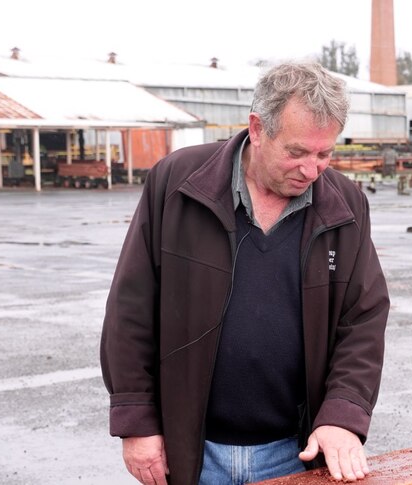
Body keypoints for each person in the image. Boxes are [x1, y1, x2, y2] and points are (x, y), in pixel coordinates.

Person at [100, 61, 389, 485]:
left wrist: (343, 416)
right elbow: (131, 308)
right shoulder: (178, 182)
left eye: (324, 154)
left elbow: (362, 319)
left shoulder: (345, 204)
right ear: (257, 128)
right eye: (297, 152)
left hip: (298, 451)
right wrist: (138, 422)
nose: (312, 171)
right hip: (193, 452)